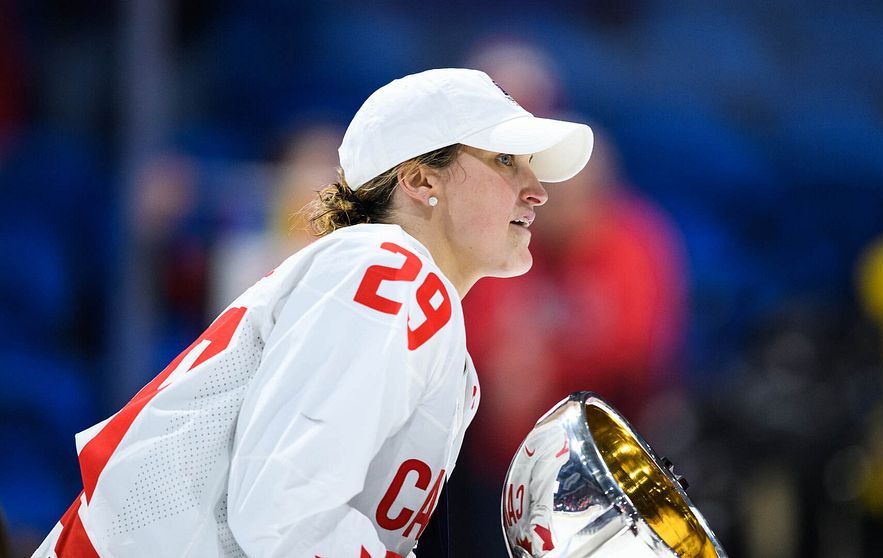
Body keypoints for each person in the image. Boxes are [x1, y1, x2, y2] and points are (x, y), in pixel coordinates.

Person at [32, 68, 593, 558]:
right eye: (505, 161)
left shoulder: (407, 299)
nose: (537, 190)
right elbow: (286, 517)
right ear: (421, 180)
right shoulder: (391, 273)